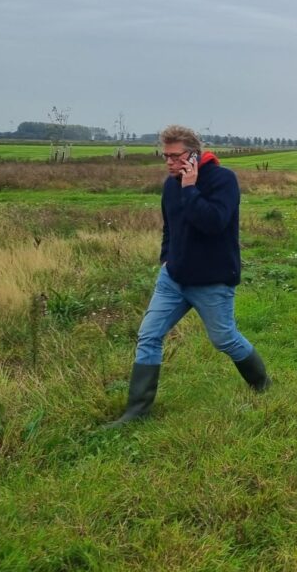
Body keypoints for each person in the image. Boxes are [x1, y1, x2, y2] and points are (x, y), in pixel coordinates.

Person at [106, 125, 269, 427]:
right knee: (149, 335)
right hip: (173, 279)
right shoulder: (170, 185)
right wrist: (167, 258)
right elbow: (170, 226)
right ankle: (136, 411)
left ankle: (262, 384)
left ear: (194, 154)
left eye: (175, 156)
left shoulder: (223, 180)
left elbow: (214, 222)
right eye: (165, 156)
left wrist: (190, 188)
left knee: (225, 339)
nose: (169, 162)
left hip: (212, 280)